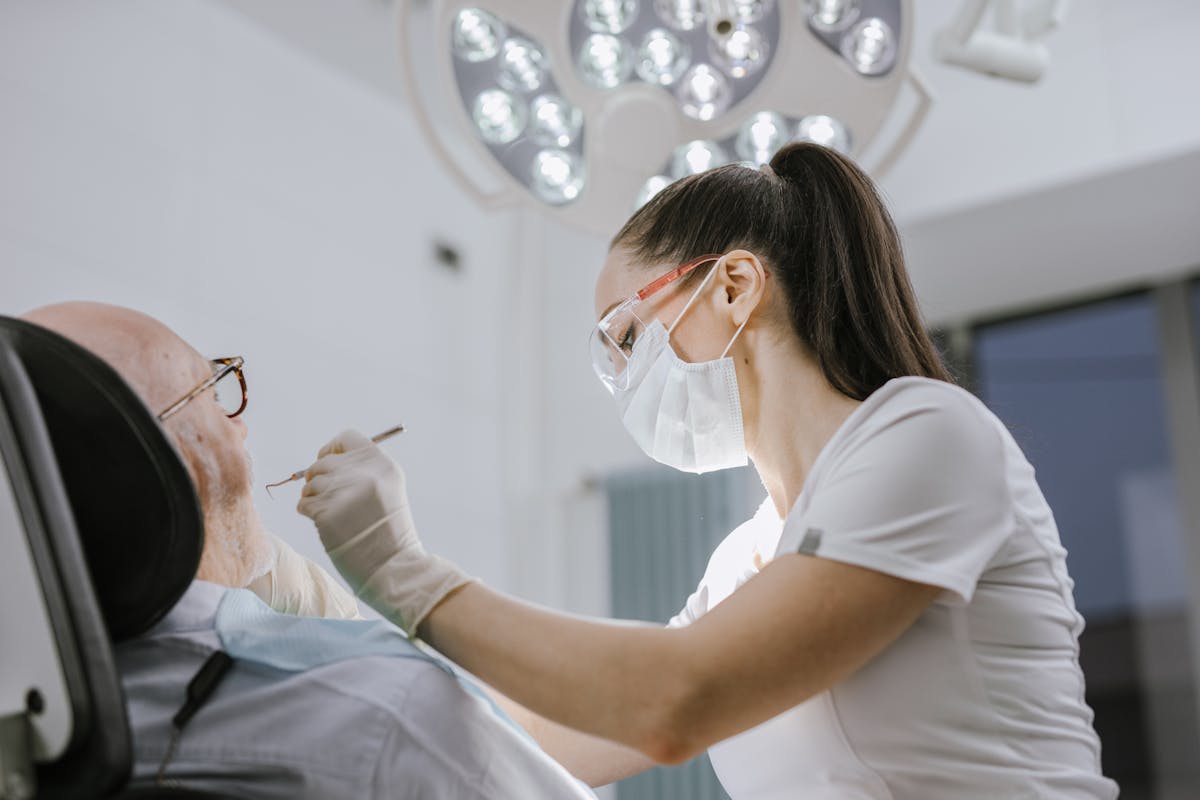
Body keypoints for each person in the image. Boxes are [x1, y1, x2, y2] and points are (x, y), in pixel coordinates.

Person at [297, 143, 1119, 798]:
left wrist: (405, 574)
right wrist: (325, 617)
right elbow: (549, 741)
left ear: (733, 286)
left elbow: (675, 702)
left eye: (624, 335)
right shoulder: (747, 560)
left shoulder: (927, 436)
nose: (623, 377)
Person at [22, 301, 595, 799]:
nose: (239, 427)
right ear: (181, 456)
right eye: (214, 392)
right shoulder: (387, 715)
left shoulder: (35, 721)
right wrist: (401, 586)